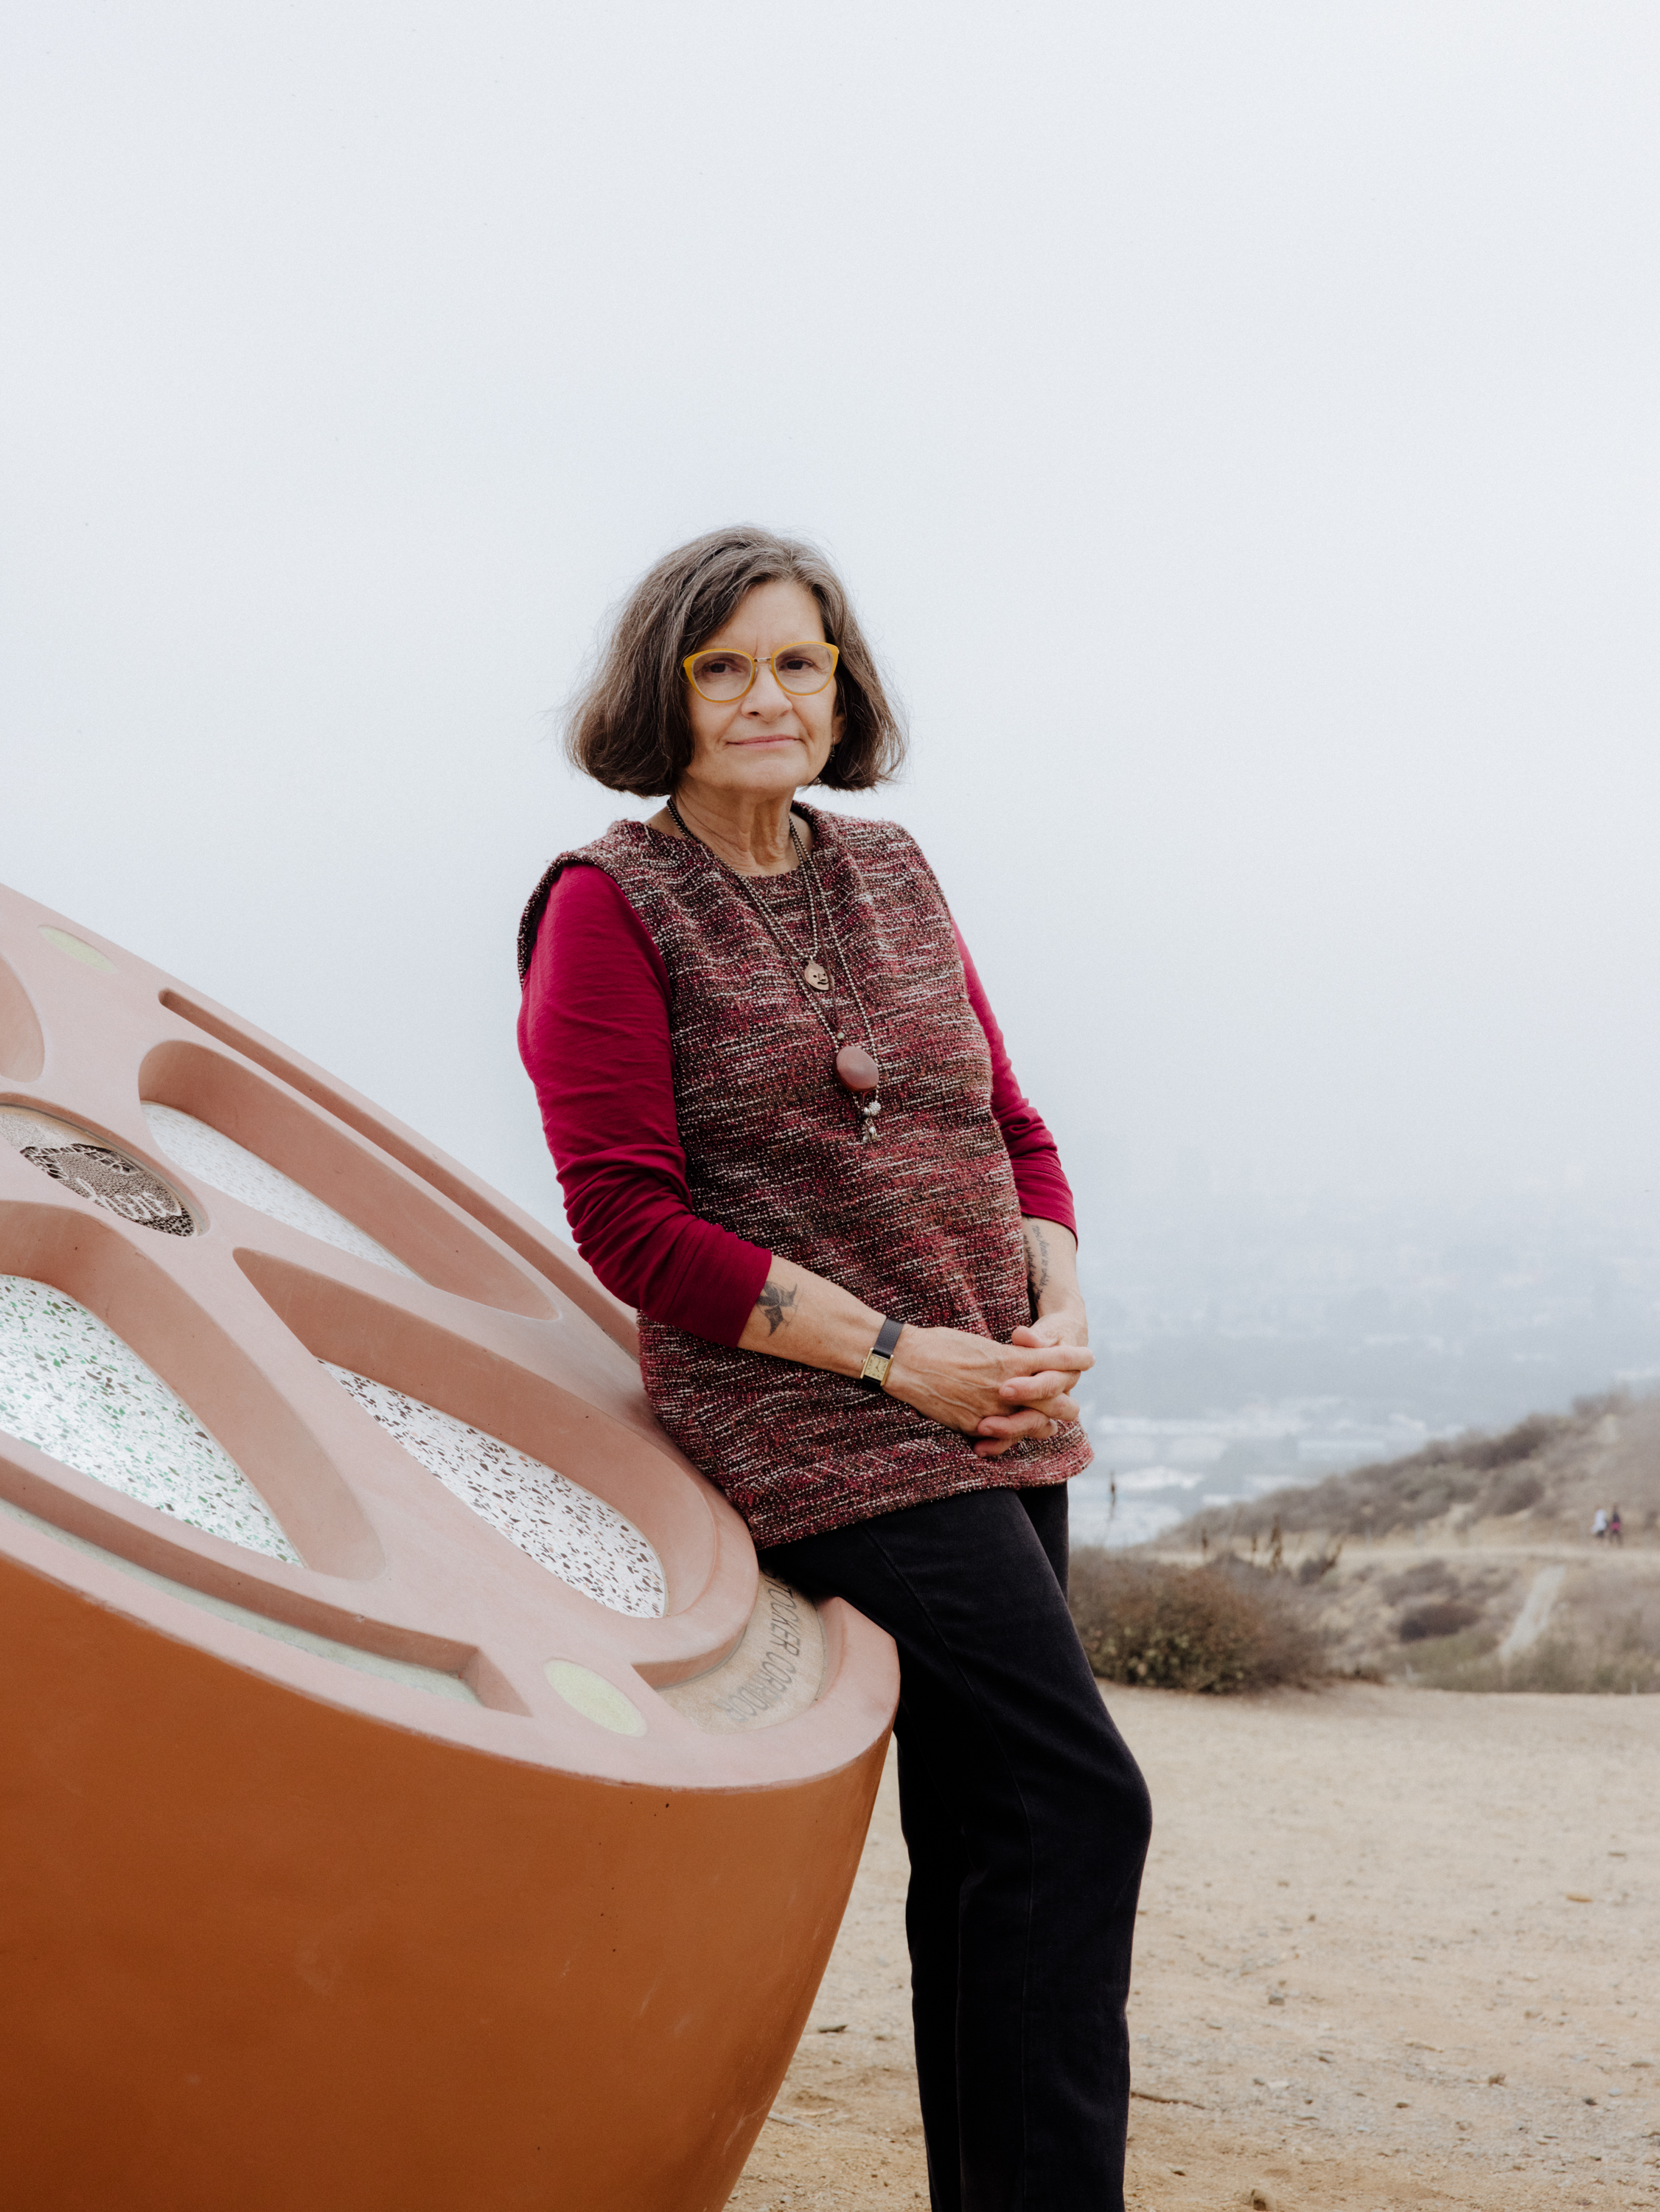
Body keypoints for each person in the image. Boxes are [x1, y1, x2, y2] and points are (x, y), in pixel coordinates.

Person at [517, 526, 1152, 2211]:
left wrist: (1055, 1309)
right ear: (660, 693)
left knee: (993, 1841)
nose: (762, 697)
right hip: (812, 1425)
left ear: (843, 684)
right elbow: (630, 1224)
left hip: (990, 1408)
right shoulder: (606, 905)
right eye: (718, 666)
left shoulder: (895, 869)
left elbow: (1010, 1129)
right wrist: (894, 1361)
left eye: (796, 662)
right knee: (1078, 1808)